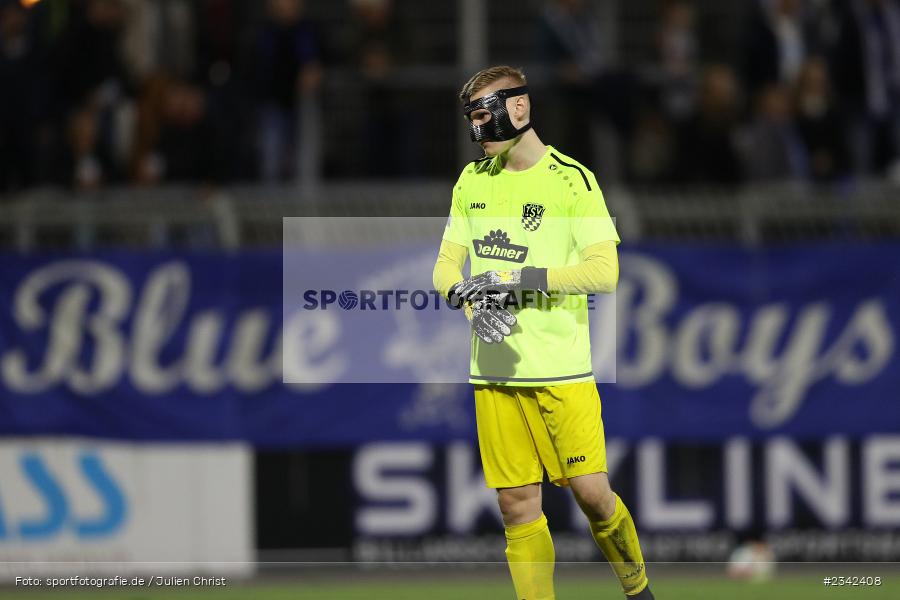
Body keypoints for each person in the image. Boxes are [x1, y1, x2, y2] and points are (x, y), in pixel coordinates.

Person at [432, 65, 654, 600]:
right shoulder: (472, 182)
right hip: (495, 372)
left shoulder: (571, 180)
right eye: (472, 118)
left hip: (562, 370)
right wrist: (466, 301)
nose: (476, 129)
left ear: (519, 109)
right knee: (516, 508)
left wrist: (520, 279)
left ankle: (639, 591)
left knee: (593, 496)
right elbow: (445, 268)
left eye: (484, 115)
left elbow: (605, 272)